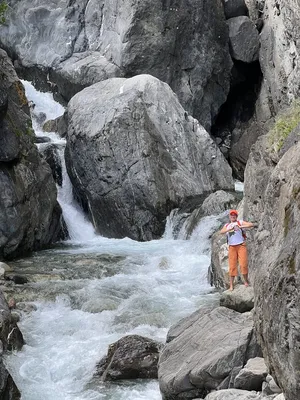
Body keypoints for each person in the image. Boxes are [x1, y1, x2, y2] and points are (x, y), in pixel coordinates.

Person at [220, 209, 254, 291]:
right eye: (231, 215)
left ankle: (246, 281)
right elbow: (222, 232)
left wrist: (240, 227)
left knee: (243, 264)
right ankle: (231, 285)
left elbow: (251, 225)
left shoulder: (240, 222)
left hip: (241, 245)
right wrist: (230, 229)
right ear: (229, 216)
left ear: (236, 216)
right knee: (232, 266)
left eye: (234, 215)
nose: (233, 216)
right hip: (232, 247)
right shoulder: (227, 225)